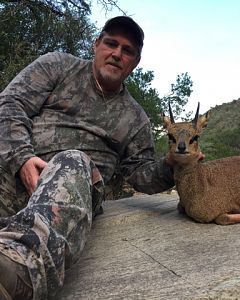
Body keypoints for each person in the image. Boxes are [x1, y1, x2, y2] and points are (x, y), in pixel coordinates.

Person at [0, 16, 176, 299]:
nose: (117, 54)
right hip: (15, 171)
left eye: (127, 50)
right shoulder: (58, 66)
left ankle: (20, 269)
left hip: (70, 190)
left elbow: (140, 174)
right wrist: (21, 158)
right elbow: (10, 103)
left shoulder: (136, 118)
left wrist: (171, 165)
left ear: (135, 62)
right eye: (111, 44)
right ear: (96, 44)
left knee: (73, 159)